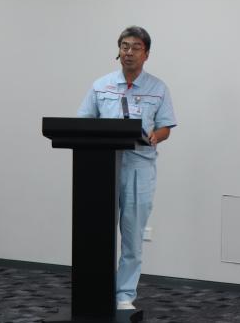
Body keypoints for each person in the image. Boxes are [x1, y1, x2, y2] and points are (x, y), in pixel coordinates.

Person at [77, 26, 176, 310]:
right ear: (118, 50)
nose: (128, 52)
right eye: (124, 46)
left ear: (146, 54)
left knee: (132, 236)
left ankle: (124, 295)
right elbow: (82, 121)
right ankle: (96, 289)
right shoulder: (101, 85)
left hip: (138, 167)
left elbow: (166, 126)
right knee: (97, 232)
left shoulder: (158, 88)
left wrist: (156, 135)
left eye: (135, 47)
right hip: (102, 167)